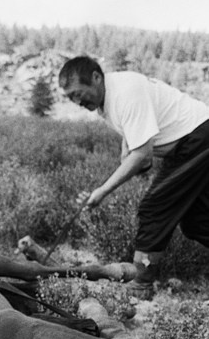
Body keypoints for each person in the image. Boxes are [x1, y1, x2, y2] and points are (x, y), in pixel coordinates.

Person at [59, 55, 209, 298]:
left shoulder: (125, 92)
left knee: (155, 207)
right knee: (195, 222)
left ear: (96, 78)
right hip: (193, 140)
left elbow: (141, 155)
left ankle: (141, 282)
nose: (77, 101)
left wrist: (102, 191)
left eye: (78, 93)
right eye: (70, 98)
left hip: (197, 138)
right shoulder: (106, 102)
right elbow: (139, 154)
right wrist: (124, 160)